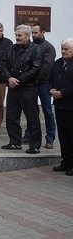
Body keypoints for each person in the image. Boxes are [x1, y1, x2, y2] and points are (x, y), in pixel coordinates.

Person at [0, 24, 42, 154]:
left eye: (20, 35)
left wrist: (19, 80)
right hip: (12, 88)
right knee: (12, 116)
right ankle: (14, 142)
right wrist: (9, 79)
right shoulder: (10, 49)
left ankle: (34, 145)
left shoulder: (35, 49)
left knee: (32, 118)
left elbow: (35, 69)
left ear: (27, 36)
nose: (17, 38)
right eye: (16, 35)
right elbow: (3, 64)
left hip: (28, 88)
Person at [21, 23, 57, 149]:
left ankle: (50, 138)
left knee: (47, 111)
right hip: (31, 83)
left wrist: (33, 78)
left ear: (43, 32)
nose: (34, 35)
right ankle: (29, 134)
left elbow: (46, 68)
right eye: (32, 33)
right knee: (31, 110)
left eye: (36, 33)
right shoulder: (29, 46)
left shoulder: (49, 48)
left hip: (43, 83)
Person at [50, 38, 73, 175]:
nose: (63, 51)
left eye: (66, 49)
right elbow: (51, 79)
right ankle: (66, 161)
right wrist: (51, 89)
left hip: (71, 105)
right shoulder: (58, 63)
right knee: (63, 135)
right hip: (60, 105)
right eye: (62, 48)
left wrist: (62, 93)